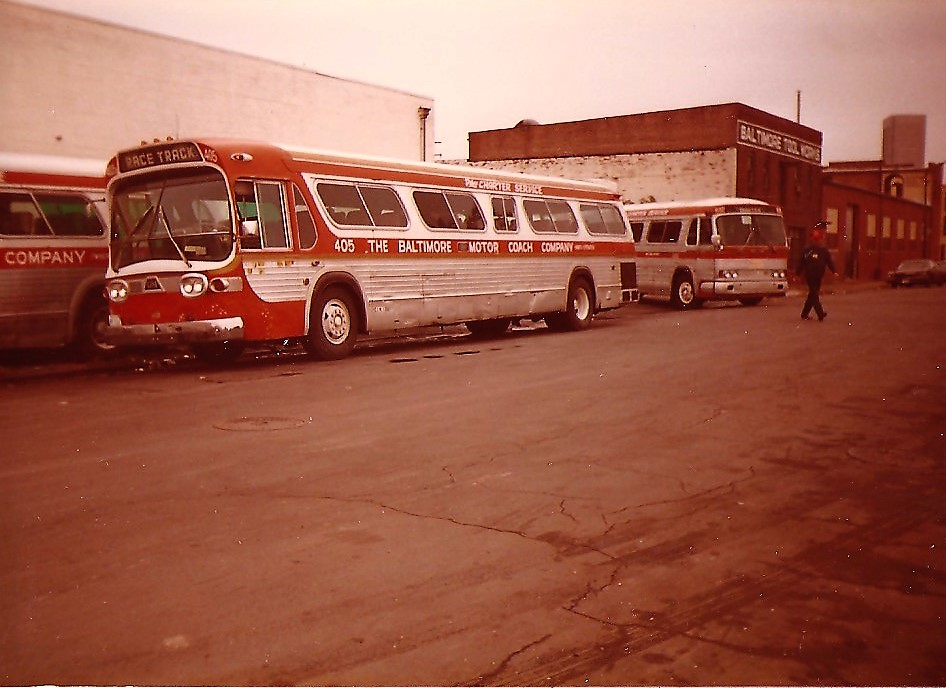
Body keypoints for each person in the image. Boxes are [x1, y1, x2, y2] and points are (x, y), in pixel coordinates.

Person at [796, 221, 837, 321]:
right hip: (810, 275)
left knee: (812, 294)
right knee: (814, 294)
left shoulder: (824, 251)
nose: (817, 241)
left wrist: (834, 271)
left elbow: (829, 261)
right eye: (815, 239)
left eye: (818, 239)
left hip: (819, 275)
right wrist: (797, 273)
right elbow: (802, 262)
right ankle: (820, 313)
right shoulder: (808, 251)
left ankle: (804, 314)